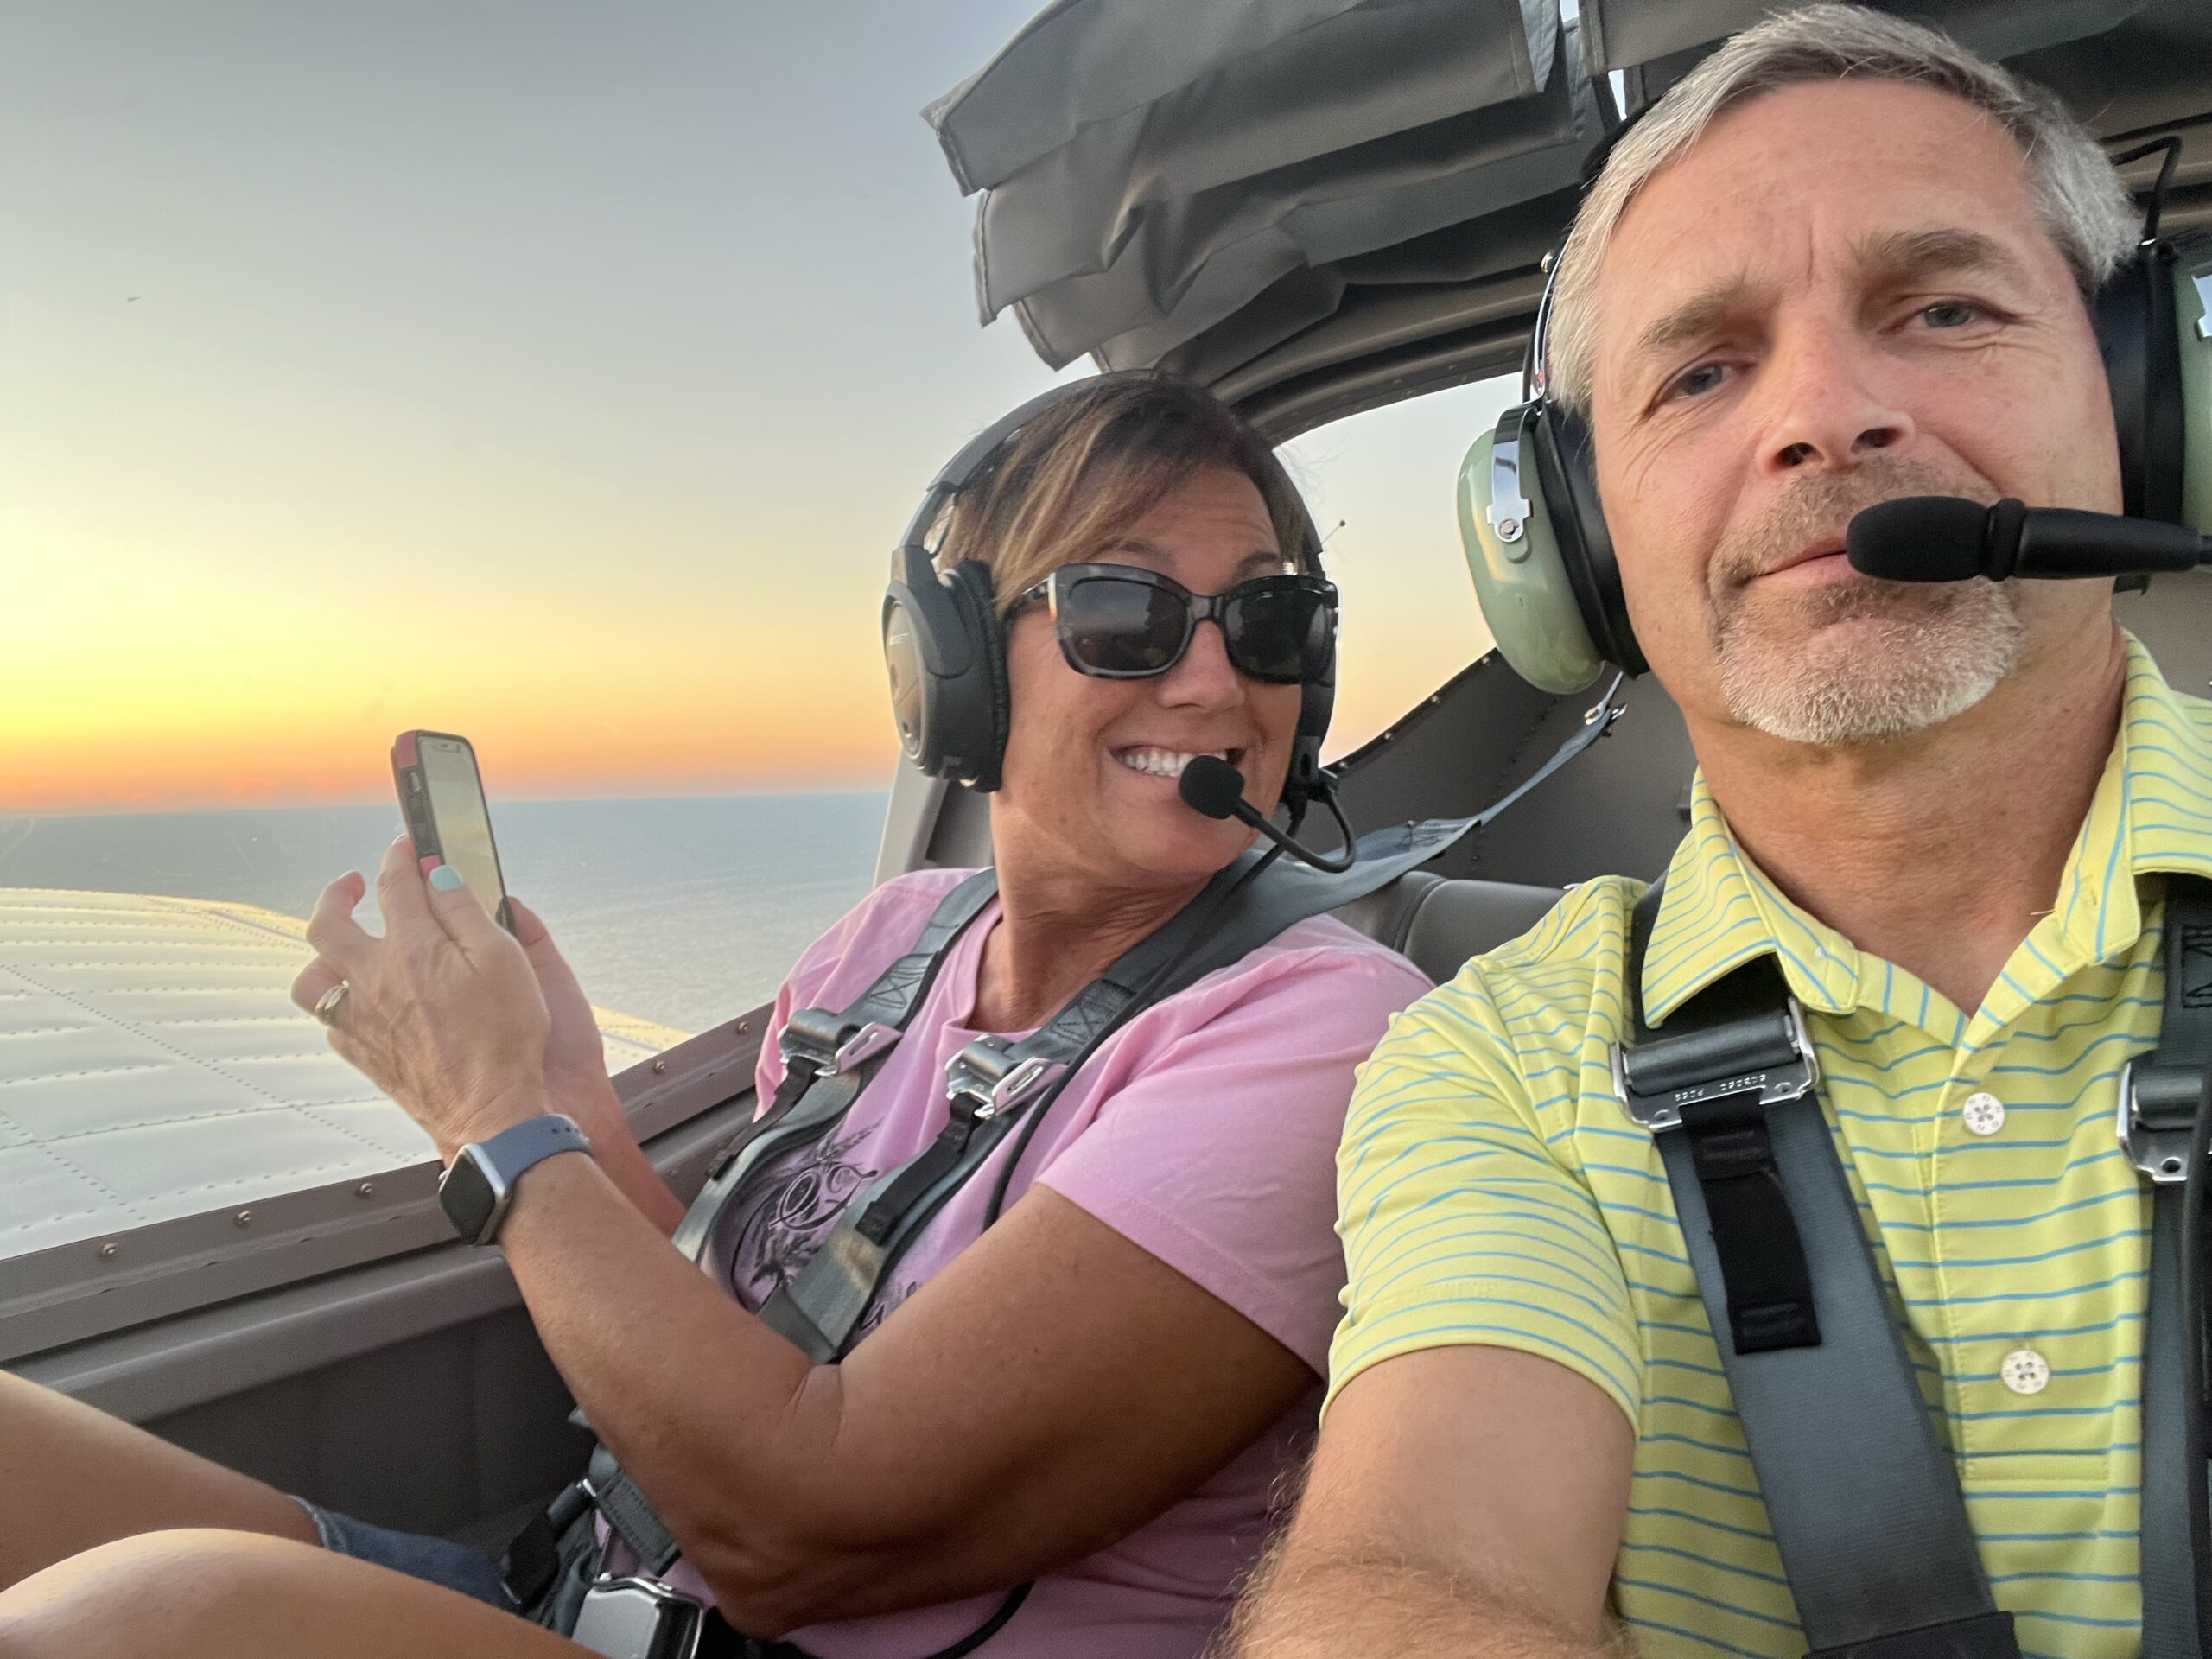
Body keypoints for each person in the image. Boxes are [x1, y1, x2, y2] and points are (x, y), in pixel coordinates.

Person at [0, 377, 1430, 1659]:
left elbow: (800, 1528)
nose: (1212, 677)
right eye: (1126, 613)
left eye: (1268, 617)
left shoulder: (1323, 1037)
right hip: (565, 1596)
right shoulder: (891, 943)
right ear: (958, 673)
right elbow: (733, 1341)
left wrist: (493, 1126)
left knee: (138, 1625)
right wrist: (567, 1097)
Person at [1225, 10, 2192, 1656]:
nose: (1826, 417)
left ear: (2146, 398)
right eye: (1702, 370)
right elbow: (1406, 1588)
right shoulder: (1500, 1068)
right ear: (1584, 546)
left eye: (1943, 307)